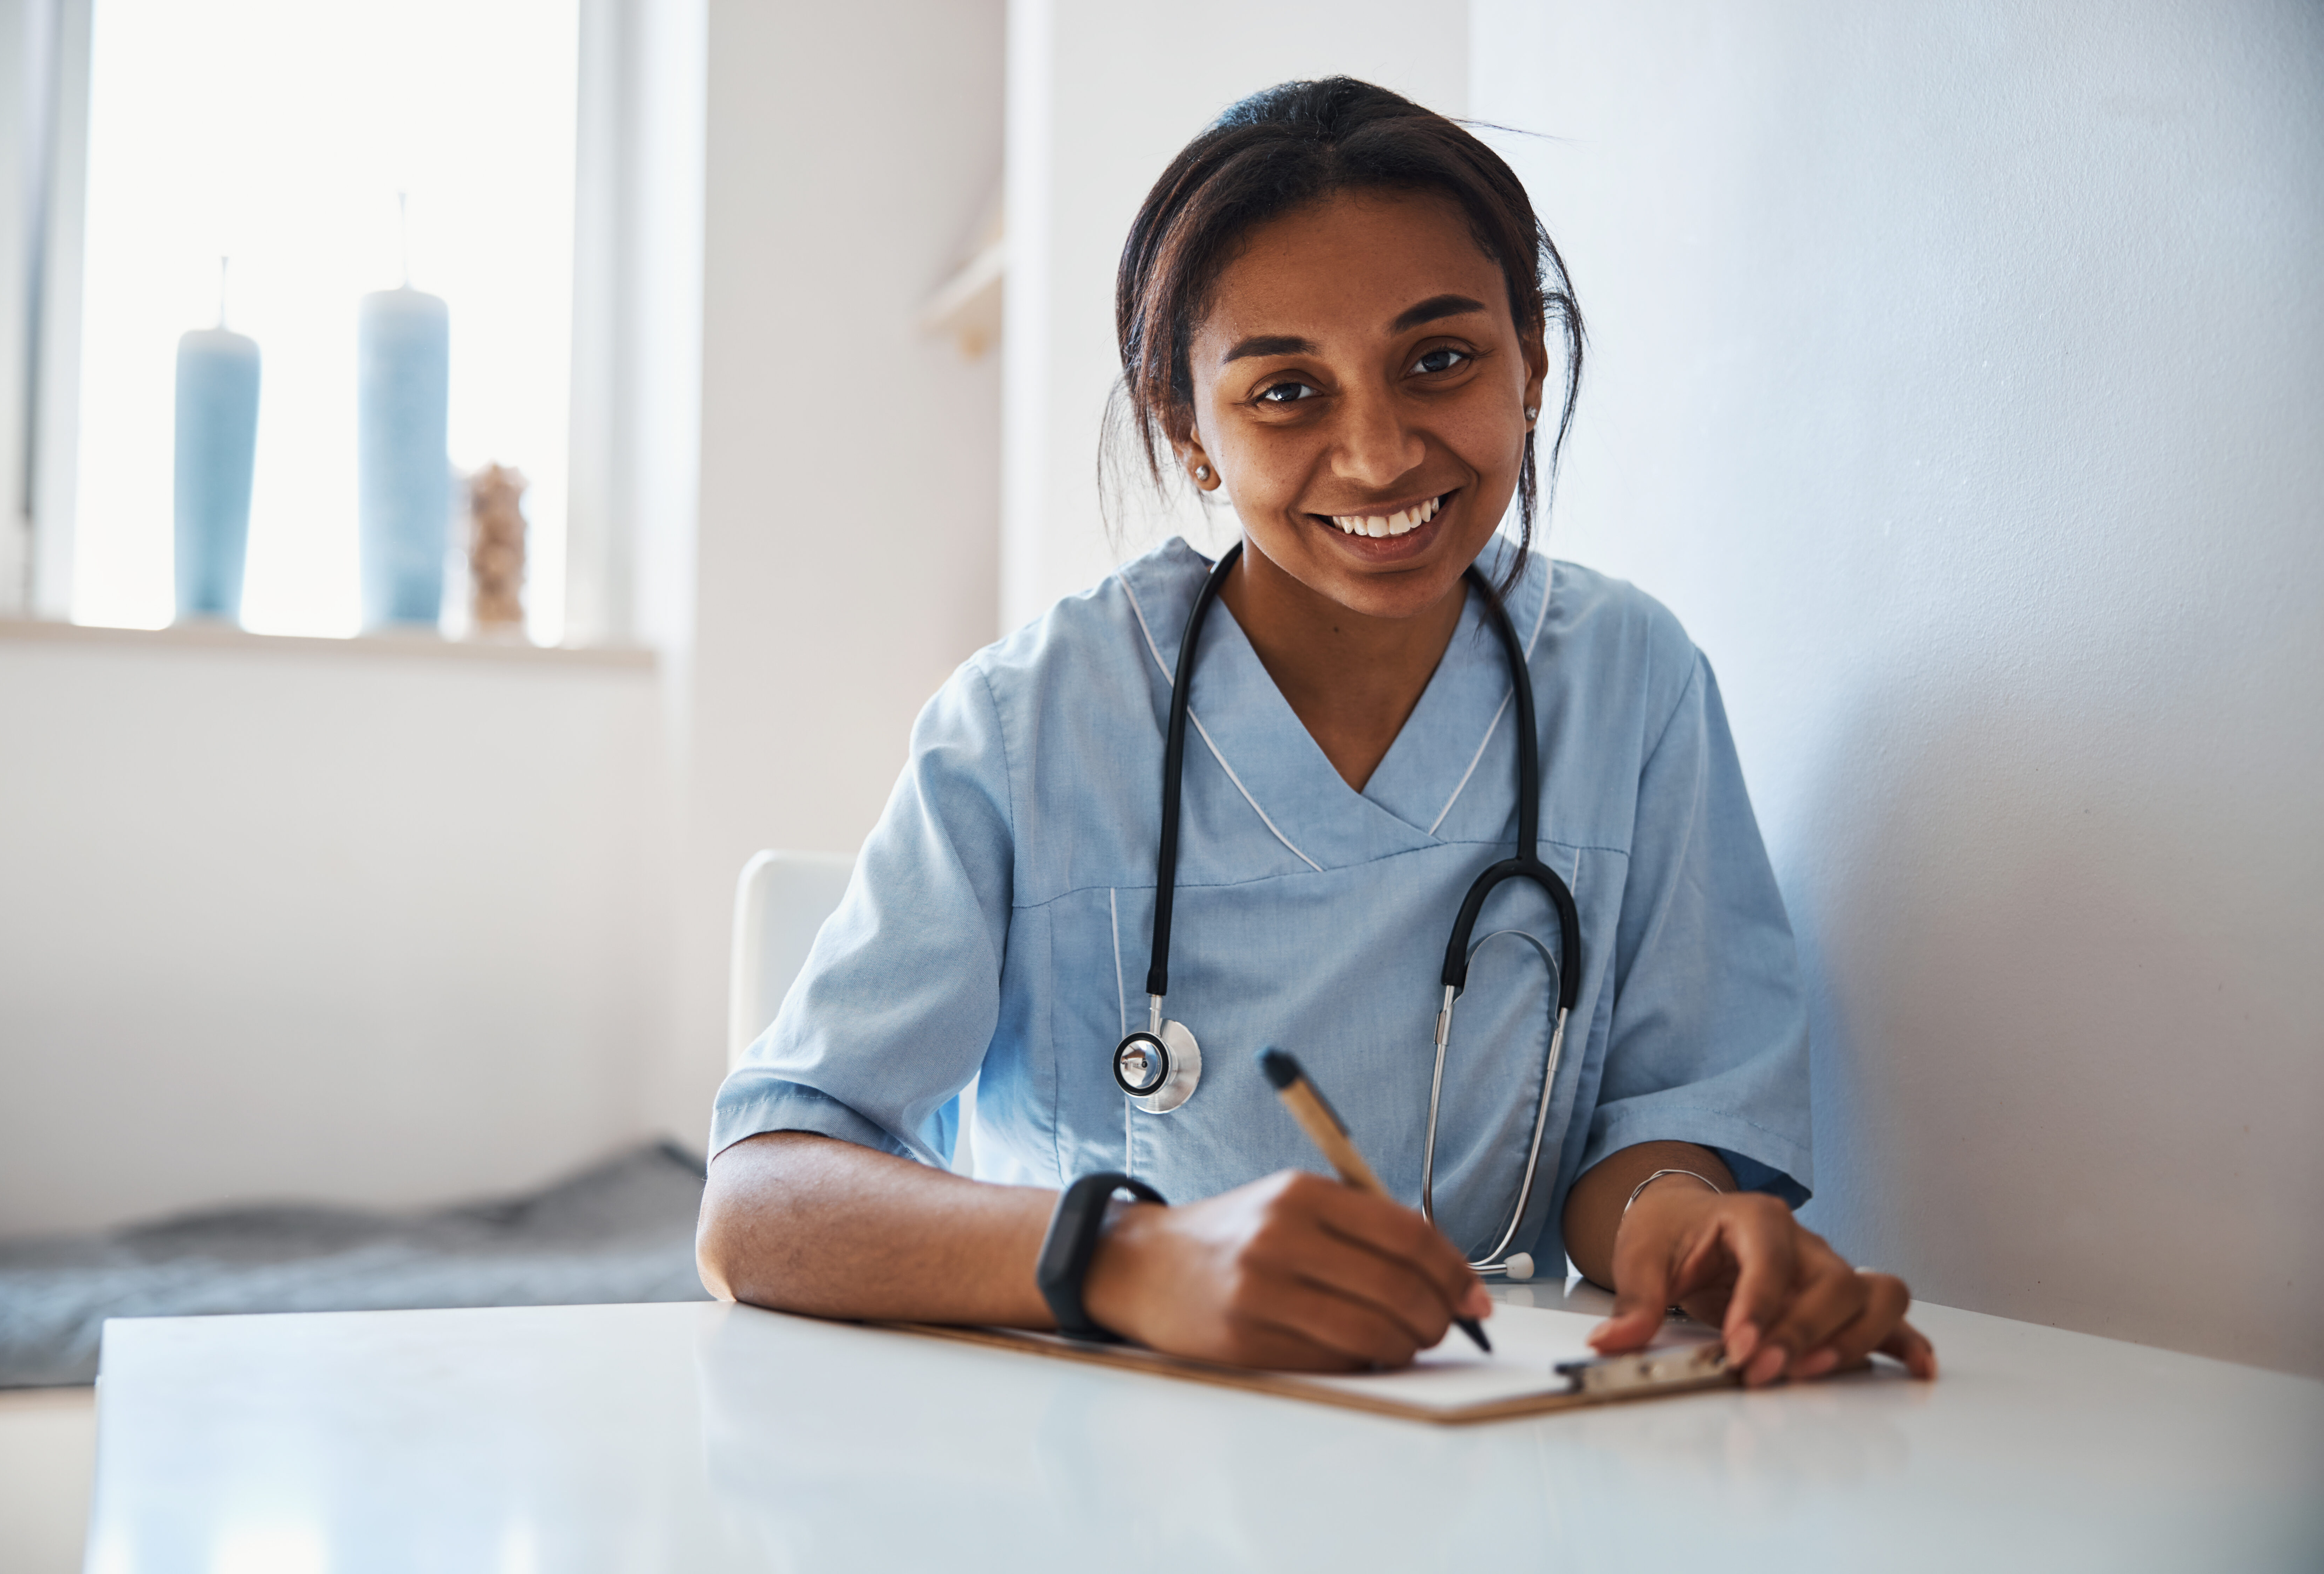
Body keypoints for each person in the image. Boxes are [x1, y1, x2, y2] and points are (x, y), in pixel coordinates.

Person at [697, 77, 1934, 1385]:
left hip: (1476, 1452)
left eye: (1440, 360)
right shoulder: (1031, 722)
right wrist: (1129, 1262)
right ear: (1189, 431)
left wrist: (1690, 1237)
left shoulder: (1631, 681)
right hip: (1099, 1465)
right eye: (1286, 391)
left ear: (1533, 363)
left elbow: (1657, 1133)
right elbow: (758, 1204)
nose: (1379, 453)